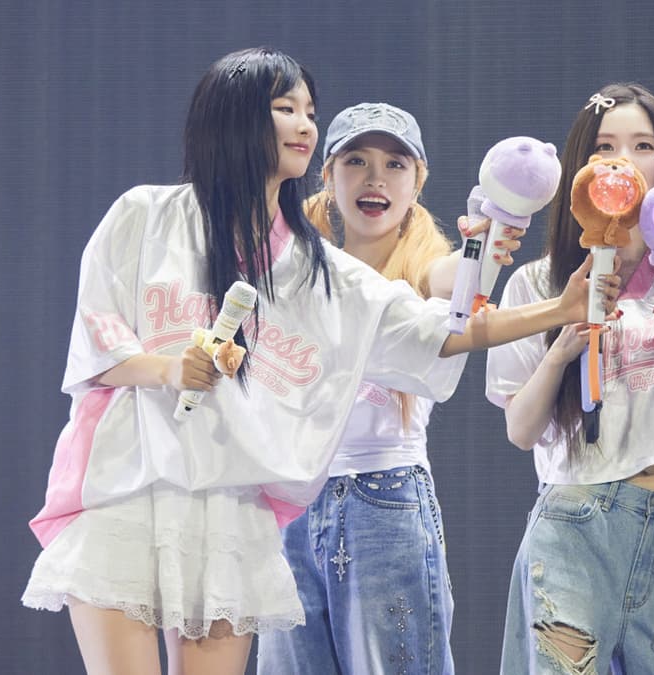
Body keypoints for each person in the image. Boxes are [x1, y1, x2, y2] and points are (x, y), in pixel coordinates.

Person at [21, 48, 609, 675]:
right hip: (125, 489)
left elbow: (440, 332)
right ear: (234, 115)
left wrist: (557, 308)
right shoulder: (145, 215)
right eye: (286, 109)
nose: (304, 125)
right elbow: (98, 334)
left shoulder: (316, 270)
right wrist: (168, 369)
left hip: (230, 511)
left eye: (309, 111)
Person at [256, 101, 527, 675]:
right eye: (356, 160)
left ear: (418, 181)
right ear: (327, 175)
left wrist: (489, 242)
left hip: (382, 497)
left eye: (395, 164)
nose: (375, 178)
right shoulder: (294, 263)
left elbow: (464, 281)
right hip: (290, 503)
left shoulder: (426, 268)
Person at [488, 83, 654, 674]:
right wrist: (560, 350)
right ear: (580, 166)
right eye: (604, 147)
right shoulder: (540, 284)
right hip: (574, 521)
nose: (623, 161)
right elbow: (521, 430)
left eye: (642, 146)